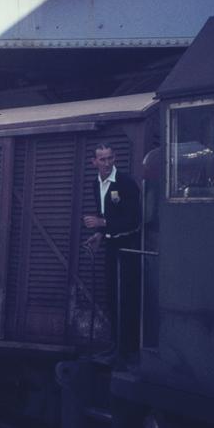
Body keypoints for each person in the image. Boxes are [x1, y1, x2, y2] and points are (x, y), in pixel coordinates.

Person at [83, 144, 141, 359]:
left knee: (126, 298)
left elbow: (134, 220)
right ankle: (116, 345)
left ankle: (127, 349)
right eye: (102, 159)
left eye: (110, 158)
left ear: (114, 158)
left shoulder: (125, 183)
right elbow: (106, 215)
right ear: (94, 162)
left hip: (128, 248)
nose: (107, 163)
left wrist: (102, 222)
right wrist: (99, 234)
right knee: (111, 297)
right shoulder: (96, 184)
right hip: (111, 246)